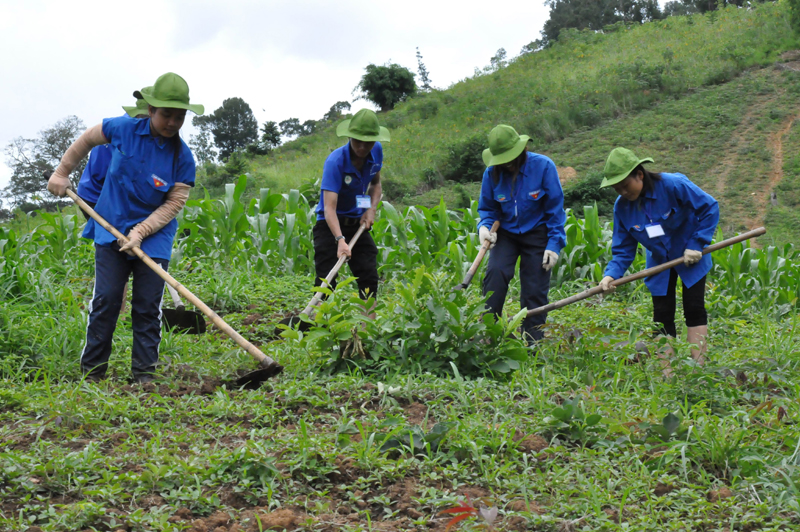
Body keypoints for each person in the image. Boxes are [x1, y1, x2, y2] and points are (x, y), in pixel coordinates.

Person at [46, 73, 203, 383]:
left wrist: (142, 232)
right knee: (105, 300)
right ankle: (92, 373)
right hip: (110, 227)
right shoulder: (122, 129)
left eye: (179, 116)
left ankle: (144, 376)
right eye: (166, 115)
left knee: (147, 305)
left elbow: (173, 204)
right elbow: (88, 138)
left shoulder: (182, 158)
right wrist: (62, 172)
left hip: (154, 237)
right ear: (150, 110)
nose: (172, 122)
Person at [597, 147, 719, 375]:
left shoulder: (673, 185)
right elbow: (623, 248)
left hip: (690, 254)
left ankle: (698, 369)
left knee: (694, 308)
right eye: (617, 188)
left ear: (639, 175)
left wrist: (697, 243)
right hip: (659, 260)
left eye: (626, 185)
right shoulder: (621, 208)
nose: (623, 192)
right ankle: (667, 373)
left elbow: (709, 207)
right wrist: (611, 274)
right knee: (662, 314)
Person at [477, 124, 566, 344]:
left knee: (534, 287)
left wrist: (554, 245)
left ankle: (532, 342)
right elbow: (489, 209)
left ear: (522, 149)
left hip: (537, 232)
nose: (507, 163)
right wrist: (485, 228)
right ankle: (489, 336)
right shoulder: (492, 173)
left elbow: (555, 210)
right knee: (495, 274)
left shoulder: (544, 167)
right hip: (506, 232)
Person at [312, 109, 389, 306]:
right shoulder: (335, 162)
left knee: (368, 275)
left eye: (368, 142)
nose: (363, 147)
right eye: (357, 141)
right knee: (326, 279)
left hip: (357, 222)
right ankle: (320, 324)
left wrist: (370, 209)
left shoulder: (377, 150)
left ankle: (367, 328)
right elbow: (329, 208)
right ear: (349, 137)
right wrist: (340, 240)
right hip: (330, 225)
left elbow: (375, 184)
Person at [75, 89, 152, 219]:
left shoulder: (146, 131)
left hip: (116, 193)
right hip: (95, 195)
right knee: (113, 237)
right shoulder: (120, 132)